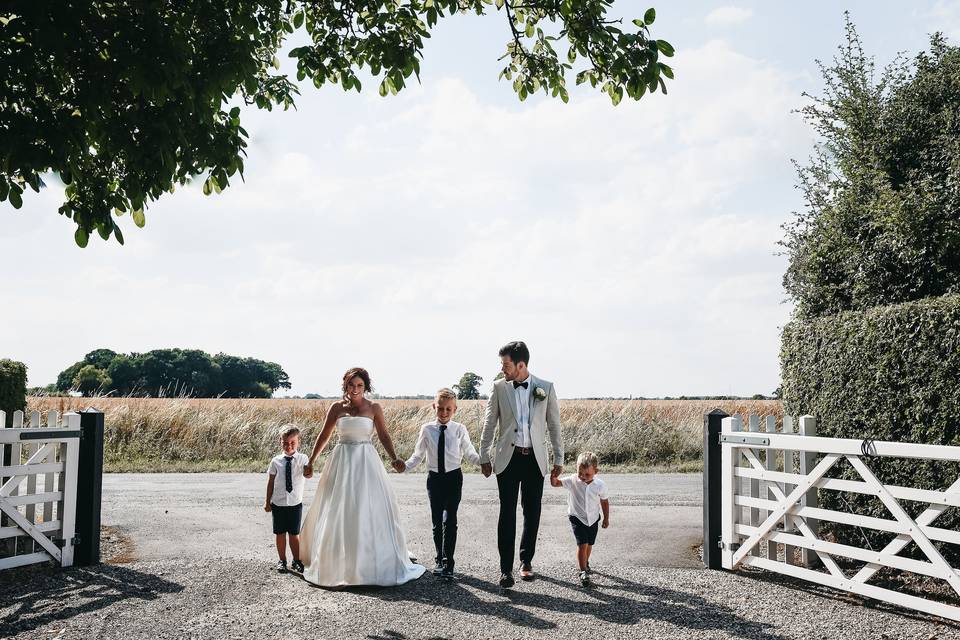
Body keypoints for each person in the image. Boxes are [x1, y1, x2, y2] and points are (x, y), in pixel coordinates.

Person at [299, 367, 425, 587]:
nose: (355, 389)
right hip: (342, 460)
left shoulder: (374, 407)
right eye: (351, 385)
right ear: (345, 385)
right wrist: (311, 461)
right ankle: (338, 560)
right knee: (338, 507)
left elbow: (384, 434)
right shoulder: (336, 408)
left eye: (359, 385)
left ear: (366, 387)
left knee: (369, 506)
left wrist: (394, 458)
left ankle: (370, 560)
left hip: (366, 460)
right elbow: (325, 435)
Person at [480, 340, 563, 588]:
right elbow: (489, 424)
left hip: (534, 459)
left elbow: (554, 425)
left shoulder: (545, 388)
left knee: (532, 511)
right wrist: (484, 455)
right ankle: (505, 570)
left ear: (521, 364)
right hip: (508, 458)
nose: (502, 369)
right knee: (507, 513)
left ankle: (526, 561)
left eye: (506, 365)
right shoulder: (499, 388)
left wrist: (559, 458)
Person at [399, 388, 480, 581]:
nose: (444, 413)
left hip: (453, 478)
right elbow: (418, 455)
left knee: (449, 520)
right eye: (440, 409)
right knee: (437, 522)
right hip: (434, 480)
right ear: (434, 407)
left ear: (455, 409)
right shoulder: (427, 429)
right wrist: (405, 467)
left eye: (448, 409)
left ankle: (449, 562)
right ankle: (439, 560)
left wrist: (483, 463)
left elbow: (469, 452)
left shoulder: (459, 429)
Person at [551, 451, 610, 586]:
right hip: (577, 517)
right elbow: (556, 484)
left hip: (593, 519)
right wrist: (554, 476)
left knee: (589, 544)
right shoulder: (573, 480)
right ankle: (583, 571)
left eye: (587, 474)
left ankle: (586, 562)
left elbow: (604, 502)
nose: (582, 477)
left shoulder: (600, 485)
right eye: (580, 473)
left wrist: (606, 518)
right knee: (582, 544)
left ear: (596, 471)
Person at [264, 424, 310, 573]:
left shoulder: (303, 458)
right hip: (278, 503)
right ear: (280, 441)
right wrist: (267, 501)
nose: (288, 445)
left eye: (292, 442)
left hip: (295, 503)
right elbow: (270, 482)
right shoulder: (275, 461)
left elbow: (308, 473)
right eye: (285, 442)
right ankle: (282, 560)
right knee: (280, 533)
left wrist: (309, 471)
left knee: (294, 534)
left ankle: (297, 560)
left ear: (298, 442)